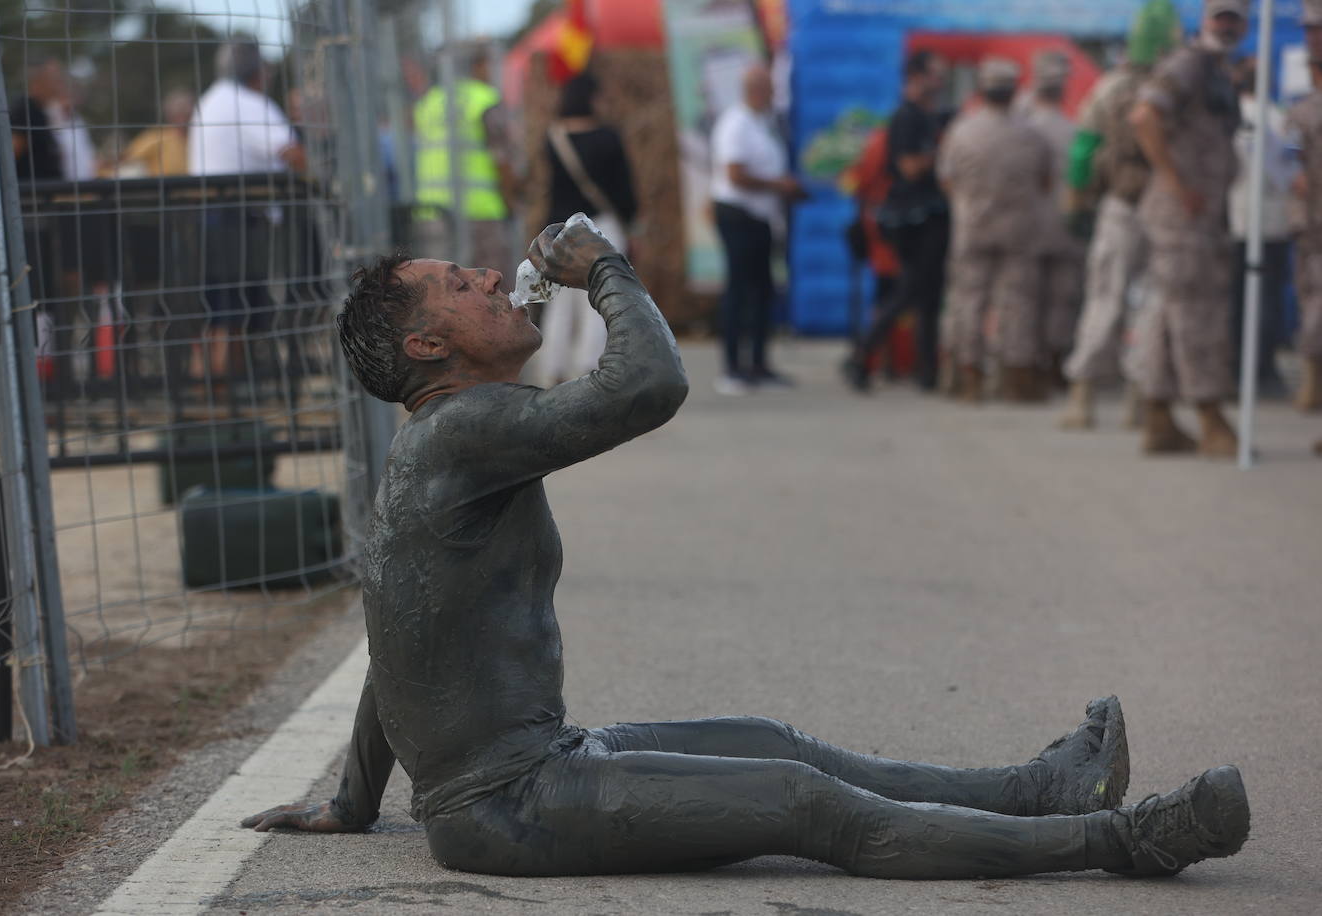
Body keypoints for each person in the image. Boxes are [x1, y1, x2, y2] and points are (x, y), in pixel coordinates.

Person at [241, 220, 1251, 880]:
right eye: (463, 285)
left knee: (784, 745)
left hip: (535, 764)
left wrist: (353, 800)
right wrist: (607, 275)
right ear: (429, 349)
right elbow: (649, 386)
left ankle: (1044, 787)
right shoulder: (464, 427)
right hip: (507, 805)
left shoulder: (441, 438)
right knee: (803, 803)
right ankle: (1121, 840)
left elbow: (395, 634)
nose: (492, 281)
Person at [1129, 0, 1248, 457]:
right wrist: (1176, 183)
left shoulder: (1217, 70)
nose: (1228, 25)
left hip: (1195, 213)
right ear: (1204, 18)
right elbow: (1144, 116)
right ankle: (1210, 414)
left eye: (1236, 17)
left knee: (1166, 316)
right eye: (1220, 15)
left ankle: (1158, 415)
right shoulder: (1190, 64)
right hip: (1183, 215)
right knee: (1197, 313)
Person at [1059, 0, 1181, 431]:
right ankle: (1139, 400)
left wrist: (1075, 201)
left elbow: (1083, 149)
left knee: (1105, 298)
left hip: (1121, 206)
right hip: (1166, 210)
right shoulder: (1178, 91)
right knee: (1151, 306)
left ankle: (1083, 396)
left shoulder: (1110, 88)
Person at [187, 36, 306, 385]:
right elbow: (291, 153)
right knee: (233, 312)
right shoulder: (248, 103)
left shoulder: (209, 100)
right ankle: (229, 406)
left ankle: (217, 401)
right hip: (239, 217)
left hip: (212, 214)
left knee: (219, 311)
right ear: (257, 69)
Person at [938, 57, 1053, 403]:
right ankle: (1015, 378)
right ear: (1014, 90)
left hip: (973, 225)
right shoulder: (1031, 134)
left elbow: (946, 179)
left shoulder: (961, 130)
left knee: (969, 299)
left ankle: (968, 376)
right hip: (1018, 228)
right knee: (1017, 302)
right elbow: (1045, 182)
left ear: (981, 90)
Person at [853, 50, 951, 393]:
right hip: (914, 221)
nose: (940, 82)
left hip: (928, 219)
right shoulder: (907, 118)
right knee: (908, 292)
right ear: (917, 78)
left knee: (927, 296)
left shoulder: (928, 116)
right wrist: (944, 154)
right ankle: (863, 357)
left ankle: (927, 372)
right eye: (935, 74)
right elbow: (909, 166)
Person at [535, 72, 639, 385]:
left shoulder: (553, 137)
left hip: (560, 227)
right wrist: (633, 223)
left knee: (560, 300)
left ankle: (553, 365)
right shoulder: (608, 137)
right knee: (599, 296)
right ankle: (588, 365)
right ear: (592, 98)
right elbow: (623, 190)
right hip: (602, 224)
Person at [710, 63, 804, 395]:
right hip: (738, 215)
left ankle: (759, 364)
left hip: (761, 217)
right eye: (770, 89)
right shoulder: (735, 123)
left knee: (763, 290)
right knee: (739, 291)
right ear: (755, 90)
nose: (774, 95)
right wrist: (778, 185)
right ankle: (733, 368)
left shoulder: (763, 123)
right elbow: (735, 174)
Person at [413, 44, 518, 280]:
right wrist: (511, 201)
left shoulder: (429, 102)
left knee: (445, 291)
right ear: (476, 66)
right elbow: (502, 159)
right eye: (487, 64)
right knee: (492, 290)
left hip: (433, 215)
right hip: (481, 214)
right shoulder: (484, 99)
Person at [1228, 58, 1292, 398]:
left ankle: (1243, 366)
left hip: (1239, 221)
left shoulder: (1233, 116)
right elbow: (1292, 165)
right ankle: (1261, 367)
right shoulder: (1281, 118)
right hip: (1271, 223)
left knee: (1241, 299)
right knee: (1264, 298)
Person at [1022, 51, 1085, 387]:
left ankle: (1026, 366)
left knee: (1028, 299)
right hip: (1062, 225)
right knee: (1060, 299)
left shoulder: (1020, 124)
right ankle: (1053, 364)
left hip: (1028, 227)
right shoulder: (1072, 129)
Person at [840, 126, 905, 390]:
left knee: (888, 297)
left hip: (882, 232)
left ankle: (878, 358)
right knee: (895, 298)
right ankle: (875, 358)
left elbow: (851, 183)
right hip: (891, 236)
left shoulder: (877, 141)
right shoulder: (884, 141)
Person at [1288, 0, 1322, 414]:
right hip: (1311, 223)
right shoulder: (1299, 110)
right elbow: (1286, 162)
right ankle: (1313, 379)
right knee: (1312, 298)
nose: (1313, 35)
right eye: (1310, 29)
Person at [119, 89, 194, 177]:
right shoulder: (156, 138)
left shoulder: (199, 138)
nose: (184, 120)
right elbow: (126, 161)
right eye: (179, 114)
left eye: (188, 114)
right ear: (169, 115)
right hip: (164, 188)